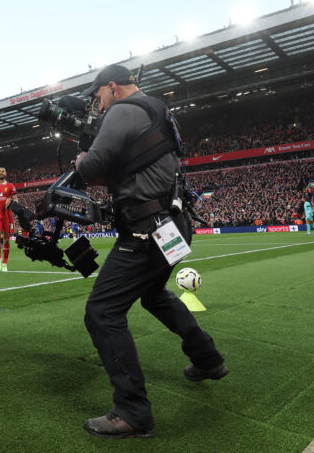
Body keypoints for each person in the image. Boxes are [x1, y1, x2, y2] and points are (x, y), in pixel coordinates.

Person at [75, 64, 227, 439]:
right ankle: (207, 359)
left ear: (112, 87)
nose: (98, 104)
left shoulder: (123, 110)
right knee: (154, 294)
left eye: (98, 97)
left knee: (102, 311)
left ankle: (132, 411)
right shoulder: (158, 109)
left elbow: (92, 166)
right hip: (172, 224)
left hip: (146, 230)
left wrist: (81, 160)